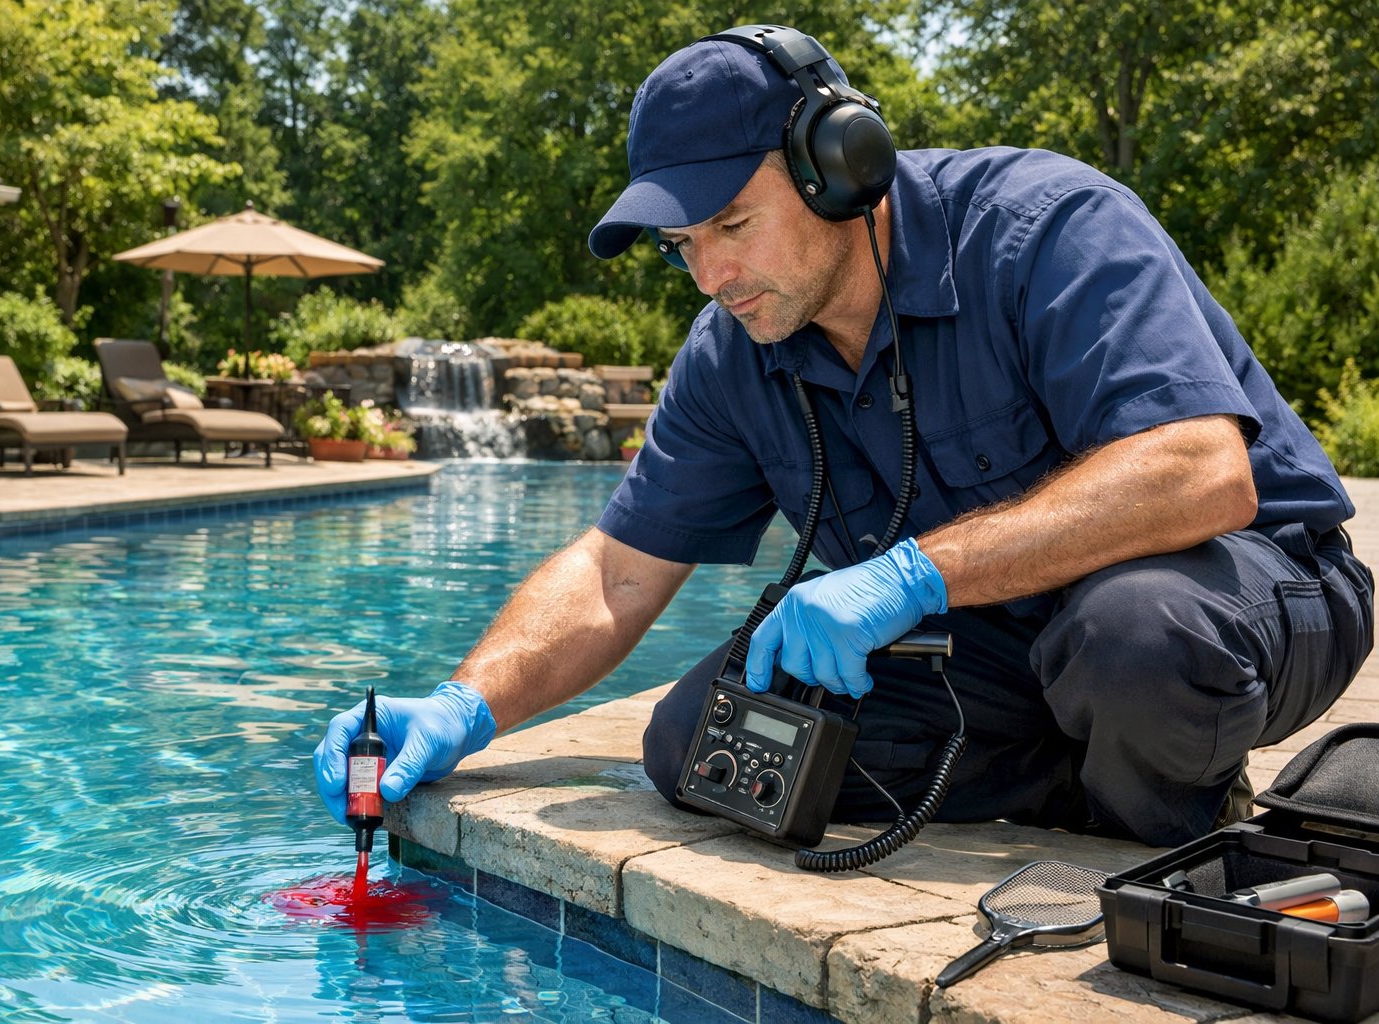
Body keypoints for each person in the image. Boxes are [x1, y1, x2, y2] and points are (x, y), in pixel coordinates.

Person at [317, 25, 1373, 847]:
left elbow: (1201, 472)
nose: (711, 276)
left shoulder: (1048, 225)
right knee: (702, 743)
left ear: (839, 164)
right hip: (1010, 643)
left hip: (1245, 586)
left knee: (1134, 639)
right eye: (683, 246)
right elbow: (615, 573)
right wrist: (466, 703)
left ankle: (1166, 806)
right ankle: (1086, 772)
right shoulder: (731, 350)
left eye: (733, 225)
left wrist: (911, 574)